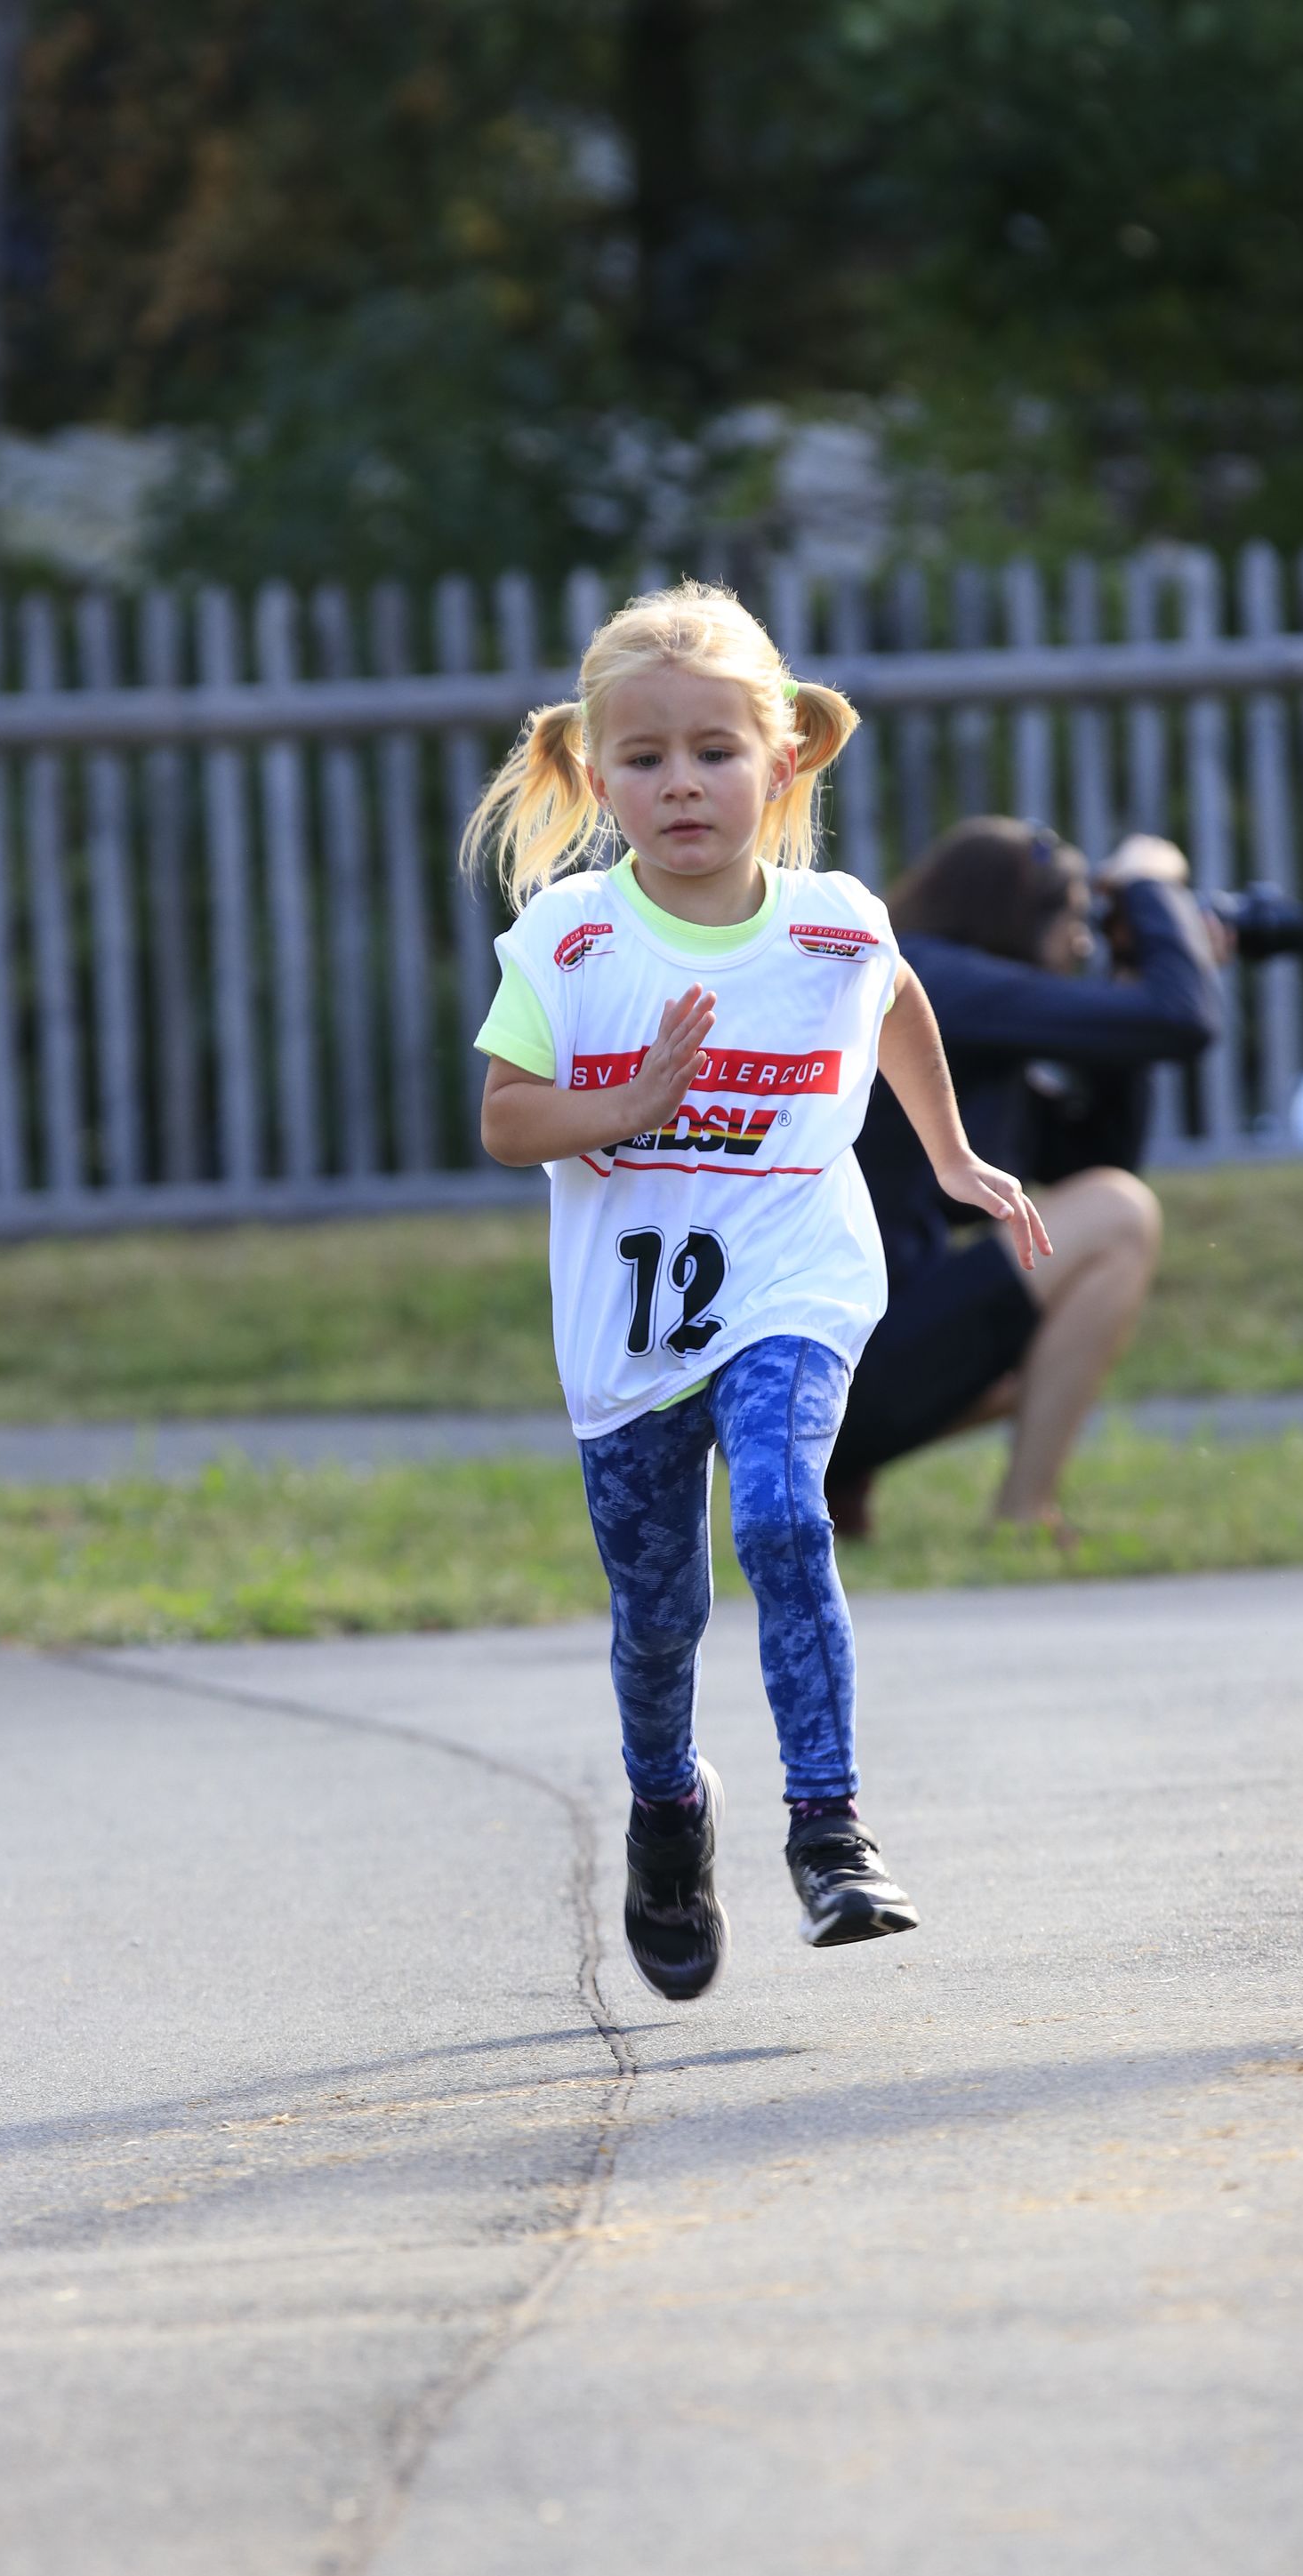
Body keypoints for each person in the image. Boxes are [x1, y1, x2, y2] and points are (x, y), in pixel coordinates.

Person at [469, 584, 1049, 2002]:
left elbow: (893, 1001)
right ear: (598, 777)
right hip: (631, 1337)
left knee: (785, 1513)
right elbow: (506, 1120)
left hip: (796, 1277)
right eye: (648, 758)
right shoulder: (571, 940)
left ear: (781, 761)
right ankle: (668, 1811)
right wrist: (626, 1105)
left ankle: (831, 1830)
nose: (683, 784)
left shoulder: (836, 925)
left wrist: (953, 1156)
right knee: (658, 1617)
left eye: (715, 752)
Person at [826, 818, 1222, 1541]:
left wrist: (1133, 970)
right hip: (826, 1374)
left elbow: (1089, 1162)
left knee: (1062, 1320)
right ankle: (1024, 1515)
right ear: (1014, 913)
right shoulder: (933, 978)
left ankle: (837, 1484)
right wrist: (1150, 889)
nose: (1082, 946)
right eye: (1075, 921)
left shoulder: (963, 1021)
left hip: (837, 1363)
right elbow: (1178, 1018)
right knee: (1120, 1215)